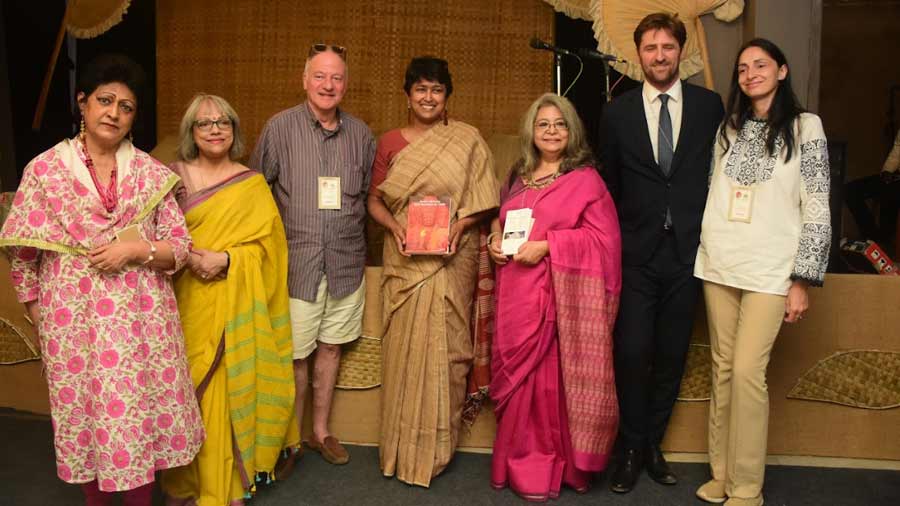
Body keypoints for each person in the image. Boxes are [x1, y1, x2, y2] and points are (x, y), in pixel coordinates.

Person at [0, 54, 203, 505]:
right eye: (105, 100)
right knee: (89, 419)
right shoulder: (45, 171)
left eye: (126, 106)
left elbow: (181, 246)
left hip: (141, 324)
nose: (114, 112)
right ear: (82, 103)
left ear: (134, 119)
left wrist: (136, 249)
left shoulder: (152, 175)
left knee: (137, 419)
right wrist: (39, 314)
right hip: (73, 323)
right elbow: (22, 252)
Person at [694, 38, 831, 506]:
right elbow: (715, 189)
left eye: (761, 64)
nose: (750, 73)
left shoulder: (805, 126)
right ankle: (721, 473)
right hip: (720, 262)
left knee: (750, 372)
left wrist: (803, 279)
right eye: (742, 67)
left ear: (783, 70)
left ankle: (747, 486)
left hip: (772, 270)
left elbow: (817, 202)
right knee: (724, 370)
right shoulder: (728, 128)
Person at [600, 12, 725, 493]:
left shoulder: (710, 106)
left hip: (689, 254)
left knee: (672, 356)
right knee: (631, 352)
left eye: (667, 47)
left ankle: (652, 444)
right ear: (639, 55)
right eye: (650, 48)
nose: (658, 56)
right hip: (636, 254)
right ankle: (630, 447)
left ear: (681, 50)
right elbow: (608, 183)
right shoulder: (618, 111)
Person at [160, 94, 297, 505]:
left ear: (234, 130)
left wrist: (227, 259)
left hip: (234, 306)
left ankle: (225, 487)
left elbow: (272, 251)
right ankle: (185, 484)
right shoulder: (171, 179)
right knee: (186, 394)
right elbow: (155, 237)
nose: (215, 129)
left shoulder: (251, 183)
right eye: (204, 123)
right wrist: (188, 256)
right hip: (183, 303)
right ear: (191, 132)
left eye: (223, 122)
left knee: (223, 394)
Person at [367, 56, 498, 487]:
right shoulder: (389, 142)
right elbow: (375, 202)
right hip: (405, 260)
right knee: (404, 352)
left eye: (436, 90)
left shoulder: (467, 140)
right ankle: (399, 450)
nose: (428, 97)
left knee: (448, 350)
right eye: (420, 89)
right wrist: (396, 227)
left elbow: (482, 199)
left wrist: (460, 226)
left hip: (450, 259)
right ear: (408, 94)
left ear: (447, 97)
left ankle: (437, 451)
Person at [488, 93, 621, 501]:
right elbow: (502, 215)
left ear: (572, 131)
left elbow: (606, 242)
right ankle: (515, 463)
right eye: (543, 124)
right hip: (515, 293)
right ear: (532, 130)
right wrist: (494, 236)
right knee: (518, 387)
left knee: (547, 388)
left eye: (559, 124)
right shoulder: (518, 173)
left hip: (557, 301)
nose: (551, 131)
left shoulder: (585, 180)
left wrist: (548, 247)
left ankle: (551, 467)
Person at [251, 44, 375, 467]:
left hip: (345, 263)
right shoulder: (279, 128)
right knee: (295, 355)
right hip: (297, 265)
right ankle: (289, 438)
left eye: (336, 78)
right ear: (304, 80)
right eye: (320, 76)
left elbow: (371, 198)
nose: (328, 85)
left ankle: (320, 432)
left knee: (331, 349)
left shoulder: (361, 135)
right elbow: (255, 192)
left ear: (346, 84)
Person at [845, 128, 900, 252]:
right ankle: (873, 237)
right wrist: (887, 170)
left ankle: (884, 242)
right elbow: (897, 149)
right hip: (895, 177)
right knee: (851, 190)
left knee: (890, 195)